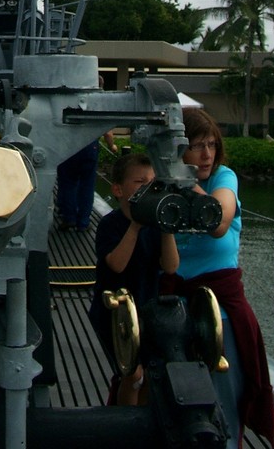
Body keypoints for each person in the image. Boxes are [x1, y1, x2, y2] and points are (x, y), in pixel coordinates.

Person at [160, 108, 274, 449]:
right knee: (174, 404)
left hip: (219, 315)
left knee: (224, 405)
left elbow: (219, 223)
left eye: (211, 144)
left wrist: (185, 182)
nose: (207, 154)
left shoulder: (223, 178)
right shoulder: (160, 182)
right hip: (173, 313)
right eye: (196, 146)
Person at [89, 152, 179, 405]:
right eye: (140, 182)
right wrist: (135, 226)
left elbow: (170, 267)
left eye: (152, 182)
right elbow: (116, 265)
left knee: (150, 375)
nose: (148, 188)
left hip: (147, 310)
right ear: (118, 189)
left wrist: (166, 227)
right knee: (132, 374)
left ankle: (145, 418)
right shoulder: (110, 224)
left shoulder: (155, 227)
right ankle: (127, 422)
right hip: (115, 314)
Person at [56, 130, 117, 231]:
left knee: (67, 183)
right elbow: (108, 133)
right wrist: (112, 146)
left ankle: (69, 218)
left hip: (68, 146)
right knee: (87, 186)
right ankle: (83, 222)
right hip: (89, 147)